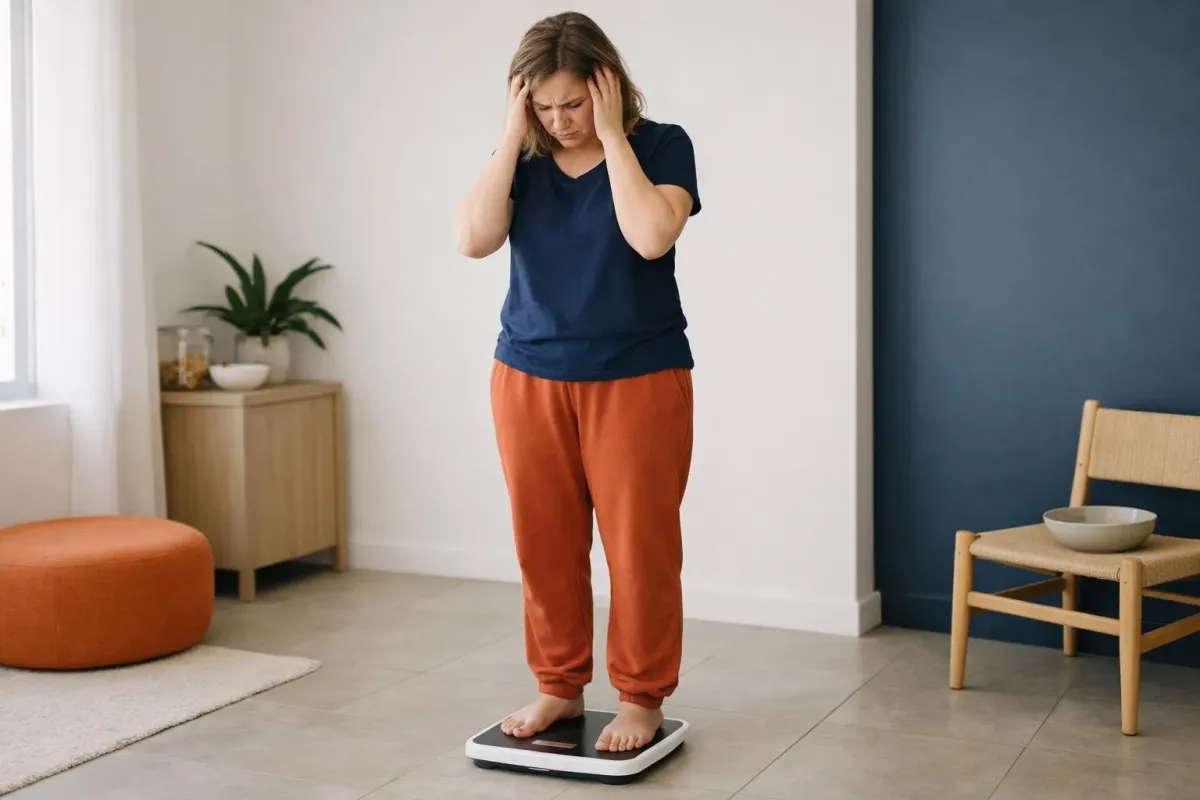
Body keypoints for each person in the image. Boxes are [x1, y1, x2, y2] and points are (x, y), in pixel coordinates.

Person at [453, 11, 700, 753]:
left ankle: (641, 696)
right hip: (526, 374)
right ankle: (558, 686)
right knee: (544, 544)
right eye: (544, 105)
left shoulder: (661, 145)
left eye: (574, 102)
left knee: (640, 548)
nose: (560, 121)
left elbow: (651, 235)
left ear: (609, 86)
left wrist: (616, 135)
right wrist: (509, 131)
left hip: (638, 376)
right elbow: (472, 240)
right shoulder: (519, 159)